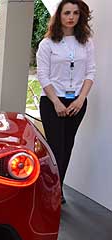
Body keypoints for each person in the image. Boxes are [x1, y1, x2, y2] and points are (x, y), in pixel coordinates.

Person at [36, 0, 95, 204]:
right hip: (53, 101)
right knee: (55, 148)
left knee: (67, 146)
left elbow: (90, 72)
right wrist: (56, 102)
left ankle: (57, 189)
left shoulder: (86, 42)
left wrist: (81, 99)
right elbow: (43, 75)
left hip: (77, 101)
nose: (71, 17)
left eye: (75, 13)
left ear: (80, 16)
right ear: (59, 15)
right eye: (67, 12)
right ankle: (49, 190)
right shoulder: (47, 44)